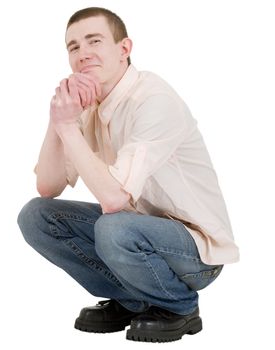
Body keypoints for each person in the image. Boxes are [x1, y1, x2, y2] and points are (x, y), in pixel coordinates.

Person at [17, 7, 239, 343]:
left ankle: (178, 306)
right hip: (132, 235)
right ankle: (133, 300)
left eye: (95, 41)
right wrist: (57, 118)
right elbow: (47, 186)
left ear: (124, 49)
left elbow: (113, 199)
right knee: (36, 216)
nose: (83, 53)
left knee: (113, 225)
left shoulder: (153, 99)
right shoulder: (89, 103)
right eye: (73, 47)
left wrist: (68, 126)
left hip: (195, 252)